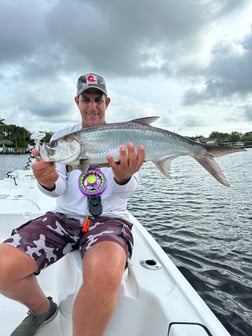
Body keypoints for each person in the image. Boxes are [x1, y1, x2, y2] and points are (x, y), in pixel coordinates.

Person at [0, 73, 145, 336]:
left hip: (109, 220)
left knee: (103, 276)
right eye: (86, 99)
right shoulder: (64, 137)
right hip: (63, 219)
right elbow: (60, 189)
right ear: (77, 101)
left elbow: (129, 191)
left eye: (98, 100)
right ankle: (43, 310)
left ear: (107, 102)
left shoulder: (124, 135)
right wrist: (47, 181)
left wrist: (124, 177)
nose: (92, 106)